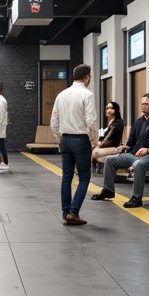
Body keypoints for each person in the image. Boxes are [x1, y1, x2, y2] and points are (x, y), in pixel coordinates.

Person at [91, 92, 149, 209]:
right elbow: (131, 143)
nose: (143, 106)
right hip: (135, 154)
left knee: (138, 164)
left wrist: (147, 150)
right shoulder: (139, 122)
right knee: (110, 160)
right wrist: (125, 147)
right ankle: (108, 190)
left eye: (146, 104)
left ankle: (137, 198)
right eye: (142, 104)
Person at [50, 64, 98, 225]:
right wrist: (93, 139)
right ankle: (74, 211)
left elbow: (53, 122)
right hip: (80, 139)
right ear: (87, 77)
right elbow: (91, 121)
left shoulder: (62, 94)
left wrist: (59, 137)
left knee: (67, 176)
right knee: (84, 177)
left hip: (65, 139)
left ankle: (66, 211)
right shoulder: (87, 94)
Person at [91, 101, 124, 173]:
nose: (108, 110)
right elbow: (104, 137)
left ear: (116, 110)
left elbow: (109, 138)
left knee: (95, 152)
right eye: (107, 108)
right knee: (92, 147)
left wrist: (99, 143)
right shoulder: (110, 122)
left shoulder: (117, 123)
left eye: (111, 108)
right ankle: (96, 166)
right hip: (107, 146)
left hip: (115, 147)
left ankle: (98, 166)